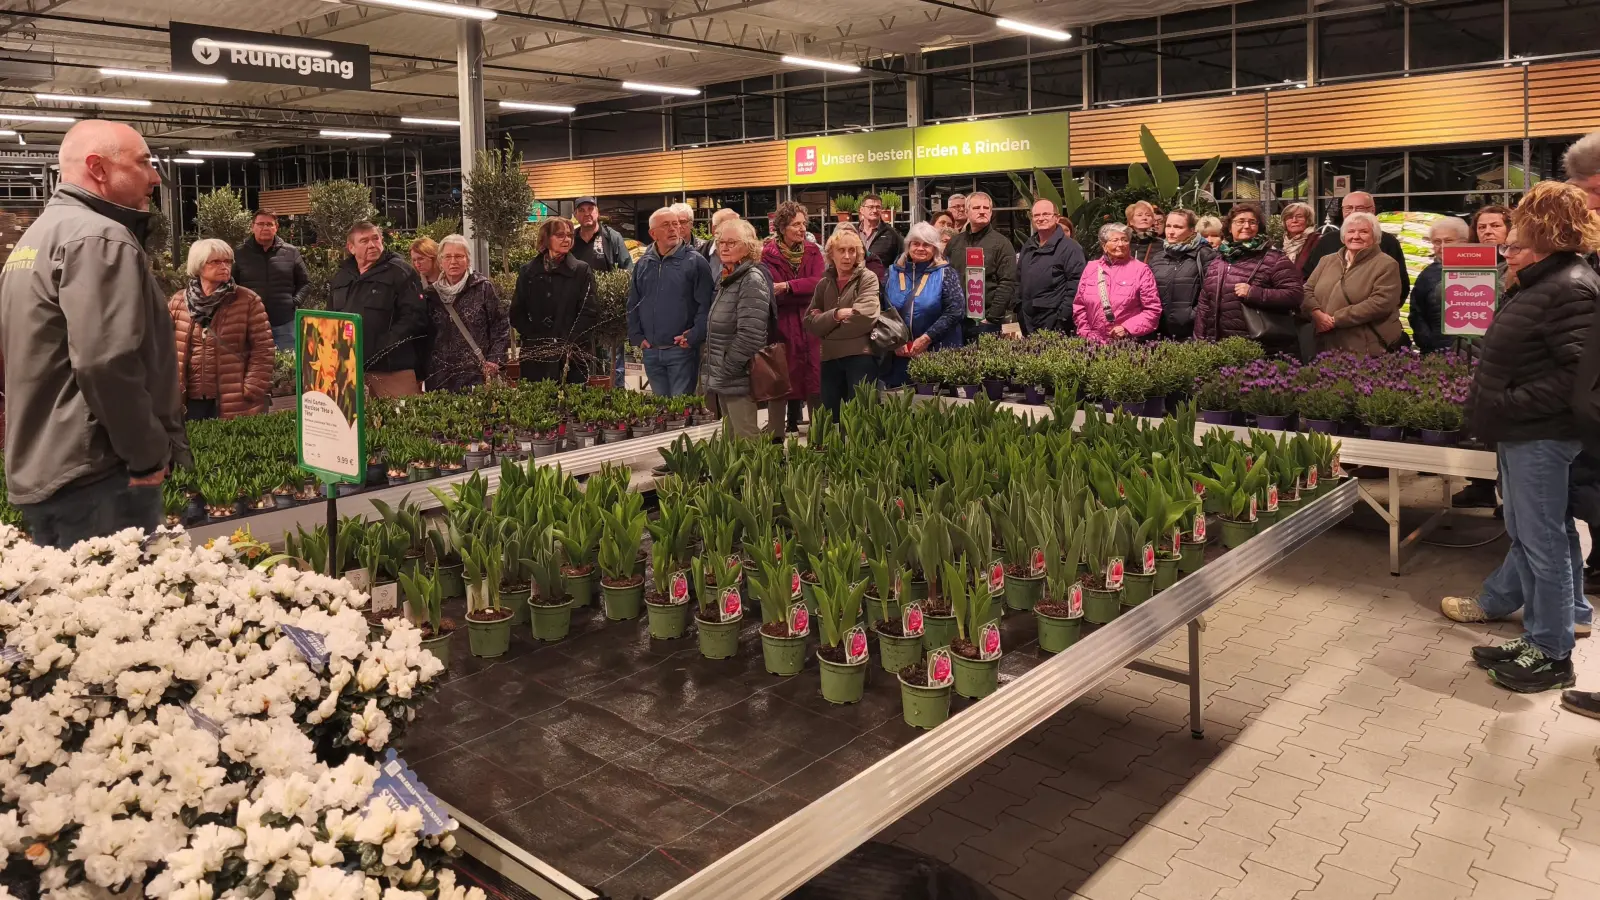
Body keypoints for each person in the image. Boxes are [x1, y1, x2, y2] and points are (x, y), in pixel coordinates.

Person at [1438, 181, 1600, 694]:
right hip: (1521, 433)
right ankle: (1536, 636)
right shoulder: (1542, 280)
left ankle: (1553, 653)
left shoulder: (1569, 285)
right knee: (1529, 536)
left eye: (1521, 225)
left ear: (1547, 227)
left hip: (1540, 434)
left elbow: (1579, 373)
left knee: (1543, 540)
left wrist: (1508, 404)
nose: (1510, 235)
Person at [0, 120, 186, 548]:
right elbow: (106, 362)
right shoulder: (100, 237)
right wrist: (147, 455)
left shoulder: (36, 238)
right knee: (126, 608)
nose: (155, 177)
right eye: (143, 163)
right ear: (98, 169)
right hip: (99, 472)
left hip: (46, 467)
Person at [168, 238, 274, 421]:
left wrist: (251, 388)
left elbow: (263, 350)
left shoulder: (247, 300)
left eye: (228, 261)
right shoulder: (178, 302)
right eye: (216, 261)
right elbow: (161, 347)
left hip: (232, 399)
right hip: (188, 400)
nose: (224, 266)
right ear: (199, 265)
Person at [329, 221, 428, 397]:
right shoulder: (342, 275)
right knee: (357, 422)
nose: (372, 245)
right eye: (364, 241)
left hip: (392, 369)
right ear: (351, 247)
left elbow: (414, 317)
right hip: (349, 367)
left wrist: (382, 347)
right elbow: (330, 316)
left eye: (376, 239)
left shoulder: (400, 271)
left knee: (402, 419)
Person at [626, 207, 713, 398]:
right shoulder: (643, 264)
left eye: (676, 224)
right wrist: (637, 337)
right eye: (666, 225)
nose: (673, 229)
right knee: (662, 412)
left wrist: (693, 336)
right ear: (652, 233)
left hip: (681, 351)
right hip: (651, 351)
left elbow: (706, 306)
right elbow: (633, 303)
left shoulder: (696, 262)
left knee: (680, 411)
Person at [1194, 202, 1305, 346]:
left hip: (1258, 345)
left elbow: (1295, 295)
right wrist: (1199, 341)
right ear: (1229, 227)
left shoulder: (1275, 259)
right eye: (1240, 221)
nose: (1246, 226)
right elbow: (1204, 305)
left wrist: (1254, 293)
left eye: (1252, 222)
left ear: (1259, 227)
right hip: (1218, 344)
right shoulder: (1218, 261)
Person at [699, 218, 772, 439]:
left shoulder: (751, 279)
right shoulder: (730, 277)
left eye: (732, 242)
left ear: (748, 246)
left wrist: (728, 367)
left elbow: (751, 335)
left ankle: (758, 475)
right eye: (721, 242)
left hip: (737, 375)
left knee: (745, 438)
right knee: (731, 439)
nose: (724, 247)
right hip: (726, 376)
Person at [761, 201, 824, 437]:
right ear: (782, 226)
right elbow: (770, 291)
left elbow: (819, 283)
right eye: (796, 224)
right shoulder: (767, 256)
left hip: (811, 329)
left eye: (803, 223)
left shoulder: (813, 251)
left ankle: (820, 439)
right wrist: (799, 290)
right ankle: (776, 442)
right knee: (779, 386)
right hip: (782, 331)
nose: (802, 228)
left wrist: (788, 287)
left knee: (815, 385)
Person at [1302, 211, 1404, 356]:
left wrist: (1336, 319)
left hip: (1365, 347)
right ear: (1343, 237)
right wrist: (1316, 314)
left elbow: (1381, 302)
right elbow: (1307, 290)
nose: (1356, 236)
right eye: (1351, 231)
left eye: (1364, 232)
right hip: (1324, 344)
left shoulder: (1386, 264)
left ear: (1375, 237)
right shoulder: (1327, 260)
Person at [804, 228, 881, 418]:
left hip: (860, 357)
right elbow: (809, 322)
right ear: (831, 253)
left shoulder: (867, 278)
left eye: (852, 250)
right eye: (841, 250)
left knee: (860, 418)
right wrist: (836, 315)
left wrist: (826, 330)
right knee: (832, 419)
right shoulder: (824, 283)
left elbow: (864, 318)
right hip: (829, 359)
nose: (847, 256)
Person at [514, 218, 599, 385]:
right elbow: (516, 312)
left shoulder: (581, 271)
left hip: (571, 354)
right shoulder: (528, 272)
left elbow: (589, 311)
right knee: (537, 405)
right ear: (546, 238)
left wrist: (569, 342)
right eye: (560, 235)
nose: (566, 239)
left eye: (569, 235)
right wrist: (534, 337)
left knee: (571, 406)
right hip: (536, 354)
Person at [882, 222, 965, 388]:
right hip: (899, 357)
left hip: (937, 353)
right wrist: (894, 343)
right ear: (908, 246)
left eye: (927, 245)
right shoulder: (892, 273)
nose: (921, 248)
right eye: (916, 243)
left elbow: (955, 311)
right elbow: (881, 310)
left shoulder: (946, 272)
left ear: (935, 248)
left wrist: (926, 339)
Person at [424, 235, 510, 392]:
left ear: (468, 260)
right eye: (447, 256)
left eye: (459, 256)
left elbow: (501, 325)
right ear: (440, 261)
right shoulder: (431, 295)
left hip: (477, 375)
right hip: (439, 378)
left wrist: (494, 360)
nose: (453, 261)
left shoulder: (482, 288)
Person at [1302, 191, 1412, 304]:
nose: (1353, 212)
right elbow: (1308, 279)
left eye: (1359, 208)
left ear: (1372, 211)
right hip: (1325, 316)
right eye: (1348, 208)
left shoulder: (1388, 242)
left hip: (1370, 318)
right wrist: (1317, 312)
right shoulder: (1327, 241)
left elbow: (1400, 287)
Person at [944, 192, 1019, 341]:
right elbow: (945, 278)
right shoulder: (954, 243)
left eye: (986, 208)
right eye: (977, 207)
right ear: (966, 212)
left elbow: (1007, 283)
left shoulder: (1002, 244)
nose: (982, 211)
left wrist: (992, 318)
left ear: (991, 212)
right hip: (956, 320)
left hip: (986, 322)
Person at [233, 210, 310, 352]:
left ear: (276, 227)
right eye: (260, 224)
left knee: (288, 367)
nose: (265, 228)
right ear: (252, 226)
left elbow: (305, 282)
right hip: (250, 323)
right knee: (254, 367)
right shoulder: (239, 253)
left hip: (284, 322)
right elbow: (231, 284)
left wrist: (294, 302)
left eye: (269, 224)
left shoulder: (291, 252)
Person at [1073, 223, 1161, 343]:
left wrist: (1127, 328)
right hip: (1092, 344)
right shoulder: (1091, 268)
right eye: (1115, 240)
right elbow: (1079, 306)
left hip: (1127, 343)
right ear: (1104, 245)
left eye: (1124, 240)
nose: (1120, 244)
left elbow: (1152, 310)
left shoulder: (1141, 270)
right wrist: (1086, 333)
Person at [1017, 198, 1085, 335]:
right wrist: (1018, 307)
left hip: (1056, 323)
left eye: (1046, 214)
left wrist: (1062, 318)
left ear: (1056, 218)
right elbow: (1018, 279)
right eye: (1036, 215)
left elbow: (1077, 285)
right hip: (1027, 321)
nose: (1041, 218)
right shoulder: (1028, 246)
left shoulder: (1071, 248)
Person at [1148, 208, 1215, 339]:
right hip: (1160, 333)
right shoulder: (1158, 258)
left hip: (1191, 333)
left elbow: (1212, 294)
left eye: (1178, 227)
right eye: (1168, 226)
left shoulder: (1205, 255)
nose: (1171, 232)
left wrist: (1192, 316)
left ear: (1192, 230)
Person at [1409, 217, 1471, 354]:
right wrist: (1427, 342)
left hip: (1475, 352)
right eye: (1437, 242)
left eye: (1448, 241)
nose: (1442, 246)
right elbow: (1416, 313)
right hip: (1437, 353)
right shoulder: (1427, 275)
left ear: (1464, 242)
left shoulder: (1481, 270)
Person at [569, 196, 633, 273]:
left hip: (606, 285)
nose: (586, 214)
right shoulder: (570, 238)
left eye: (590, 209)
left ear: (597, 212)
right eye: (581, 210)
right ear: (575, 215)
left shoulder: (612, 237)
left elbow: (628, 269)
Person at [857, 194, 904, 272]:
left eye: (878, 207)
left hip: (881, 282)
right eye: (871, 207)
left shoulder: (892, 234)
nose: (875, 210)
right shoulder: (853, 232)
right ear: (862, 210)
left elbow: (902, 258)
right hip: (855, 282)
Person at [1278, 201, 1319, 277]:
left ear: (1308, 220)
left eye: (1299, 216)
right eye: (1289, 217)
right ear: (1284, 222)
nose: (1294, 220)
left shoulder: (1317, 240)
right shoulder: (1279, 243)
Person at [1124, 200, 1162, 264]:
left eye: (1148, 215)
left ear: (1152, 220)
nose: (1144, 218)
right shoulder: (1124, 242)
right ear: (1130, 221)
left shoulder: (1161, 244)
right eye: (1139, 215)